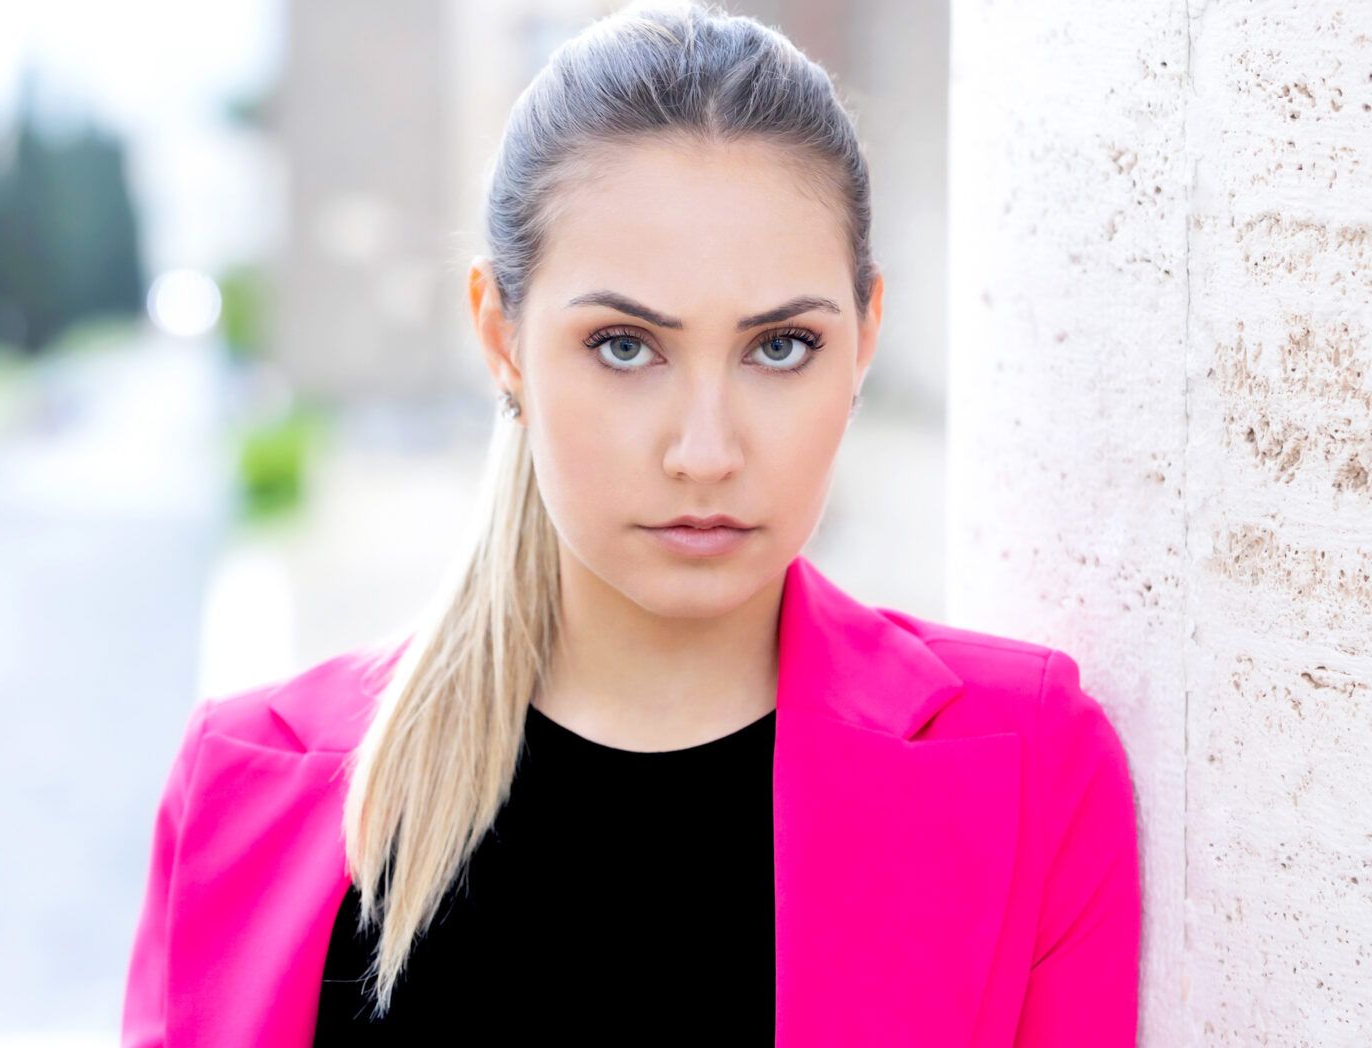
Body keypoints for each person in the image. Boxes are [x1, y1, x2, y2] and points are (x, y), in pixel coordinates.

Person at [120, 3, 1143, 1045]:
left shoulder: (1031, 772)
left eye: (780, 347)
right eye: (624, 346)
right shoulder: (240, 790)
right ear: (502, 339)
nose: (705, 450)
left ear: (865, 338)